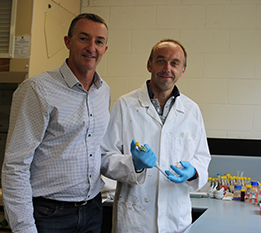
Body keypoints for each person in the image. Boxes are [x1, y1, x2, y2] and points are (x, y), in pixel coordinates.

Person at [2, 13, 110, 233]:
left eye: (99, 41)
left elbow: (95, 149)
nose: (92, 47)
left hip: (92, 211)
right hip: (51, 215)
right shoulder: (38, 89)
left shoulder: (103, 91)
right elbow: (15, 165)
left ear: (105, 49)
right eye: (83, 38)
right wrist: (23, 228)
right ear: (67, 42)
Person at [100, 39, 211, 233]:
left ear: (182, 70)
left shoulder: (191, 110)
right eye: (161, 61)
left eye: (175, 63)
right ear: (149, 64)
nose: (167, 68)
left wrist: (193, 171)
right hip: (134, 219)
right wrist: (133, 164)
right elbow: (104, 157)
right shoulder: (125, 105)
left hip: (175, 219)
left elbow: (202, 158)